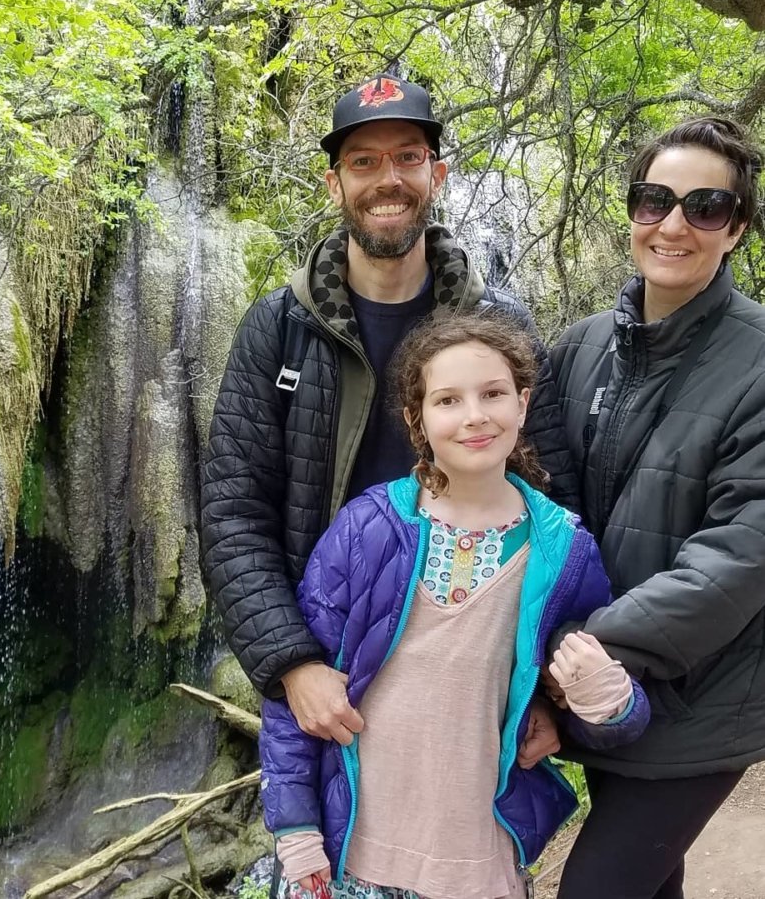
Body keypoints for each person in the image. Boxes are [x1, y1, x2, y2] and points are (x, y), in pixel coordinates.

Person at [201, 72, 577, 761]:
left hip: (479, 671)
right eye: (364, 161)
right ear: (334, 183)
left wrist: (545, 688)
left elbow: (554, 503)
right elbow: (233, 511)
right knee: (322, 829)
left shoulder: (500, 328)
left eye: (408, 157)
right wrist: (293, 663)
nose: (388, 180)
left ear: (436, 174)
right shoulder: (280, 328)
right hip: (331, 667)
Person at [259, 312, 650, 899]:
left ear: (523, 403)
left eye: (493, 394)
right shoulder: (367, 527)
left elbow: (589, 705)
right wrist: (294, 827)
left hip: (477, 864)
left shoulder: (565, 550)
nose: (474, 416)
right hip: (351, 859)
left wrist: (609, 705)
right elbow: (297, 693)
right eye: (448, 400)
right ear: (416, 419)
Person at [549, 116, 765, 899]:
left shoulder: (758, 359)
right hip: (602, 689)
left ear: (735, 229)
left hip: (702, 696)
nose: (673, 225)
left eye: (705, 207)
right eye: (654, 200)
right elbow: (542, 512)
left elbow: (738, 557)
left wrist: (577, 657)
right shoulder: (578, 349)